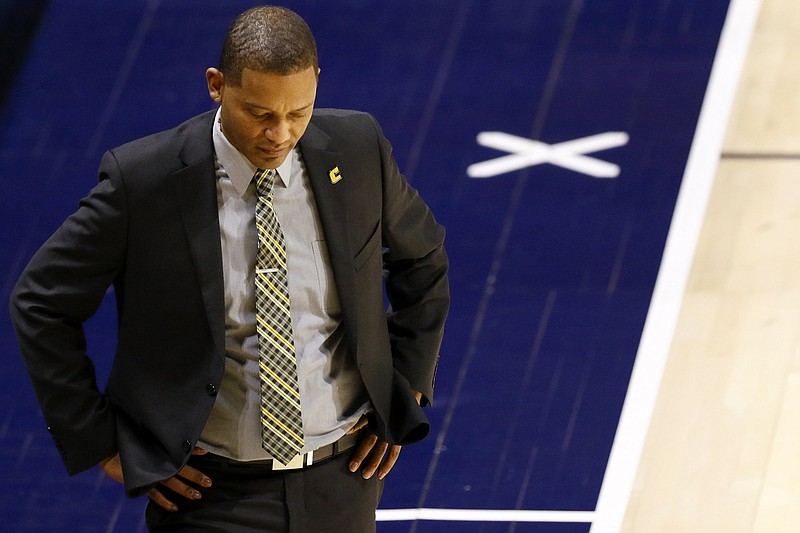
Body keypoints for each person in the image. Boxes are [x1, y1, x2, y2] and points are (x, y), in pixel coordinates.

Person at [9, 5, 449, 532]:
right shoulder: (145, 182)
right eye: (260, 114)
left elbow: (423, 258)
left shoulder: (357, 150)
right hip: (209, 494)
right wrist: (100, 441)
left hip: (344, 479)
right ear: (217, 86)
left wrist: (406, 385)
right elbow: (40, 302)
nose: (280, 134)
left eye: (298, 112)